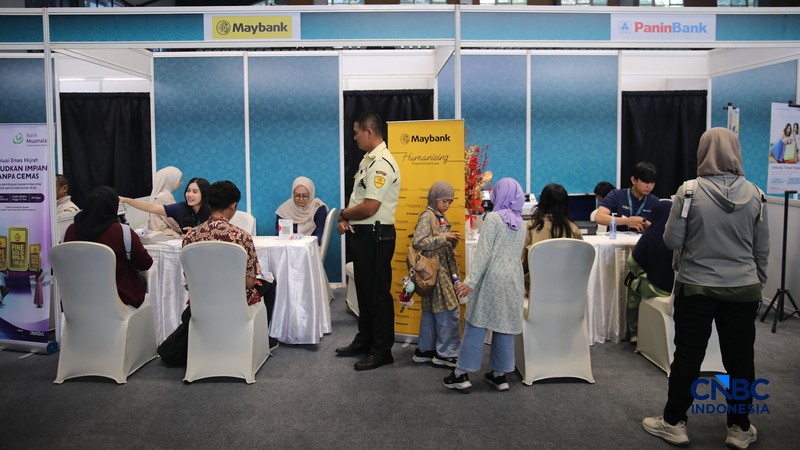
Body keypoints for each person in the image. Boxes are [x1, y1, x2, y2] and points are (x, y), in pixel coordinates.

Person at [643, 128, 769, 450]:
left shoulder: (688, 193)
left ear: (703, 152)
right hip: (743, 289)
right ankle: (740, 428)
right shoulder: (756, 194)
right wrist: (756, 283)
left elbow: (672, 241)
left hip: (696, 287)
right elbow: (761, 250)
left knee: (687, 356)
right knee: (740, 360)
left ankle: (674, 423)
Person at [159, 181, 264, 367]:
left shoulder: (191, 237)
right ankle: (260, 343)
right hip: (235, 300)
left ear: (209, 204)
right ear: (233, 205)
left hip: (202, 300)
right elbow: (249, 283)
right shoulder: (242, 236)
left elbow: (189, 279)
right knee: (267, 286)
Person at [444, 177, 526, 392]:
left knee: (476, 323)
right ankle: (500, 375)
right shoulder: (522, 222)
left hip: (492, 276)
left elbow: (484, 254)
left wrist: (470, 282)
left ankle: (461, 373)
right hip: (513, 278)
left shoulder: (493, 219)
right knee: (504, 325)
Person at [335, 112, 401, 371]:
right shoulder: (368, 160)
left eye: (356, 132)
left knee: (377, 296)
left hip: (377, 236)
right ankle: (365, 340)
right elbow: (359, 202)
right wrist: (348, 218)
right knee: (364, 292)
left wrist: (343, 214)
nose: (354, 137)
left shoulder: (382, 162)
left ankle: (382, 350)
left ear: (369, 132)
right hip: (364, 235)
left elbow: (371, 206)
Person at [64, 186, 153, 308]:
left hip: (77, 301)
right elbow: (145, 263)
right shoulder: (122, 233)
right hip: (120, 301)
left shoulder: (69, 231)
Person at [411, 181, 462, 368]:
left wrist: (449, 239)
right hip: (436, 271)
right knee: (449, 311)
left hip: (438, 270)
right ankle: (446, 353)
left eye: (450, 202)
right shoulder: (428, 216)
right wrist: (444, 237)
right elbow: (419, 242)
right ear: (434, 199)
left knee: (432, 311)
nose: (447, 205)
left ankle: (426, 349)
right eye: (444, 201)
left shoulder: (438, 216)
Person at [624, 200, 674, 344]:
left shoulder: (650, 236)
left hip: (658, 289)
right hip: (676, 289)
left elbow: (632, 264)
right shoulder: (680, 236)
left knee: (633, 285)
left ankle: (634, 332)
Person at [523, 183, 584, 295]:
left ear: (542, 201)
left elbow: (523, 261)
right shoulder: (573, 228)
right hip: (568, 288)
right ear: (565, 204)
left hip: (537, 288)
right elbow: (581, 261)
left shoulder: (532, 226)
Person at [120, 175, 211, 235]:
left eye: (195, 192)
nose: (189, 195)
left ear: (204, 194)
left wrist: (198, 234)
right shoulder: (180, 208)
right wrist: (126, 200)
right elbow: (152, 207)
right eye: (188, 191)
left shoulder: (213, 210)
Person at [594, 161, 659, 232]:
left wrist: (646, 223)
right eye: (645, 182)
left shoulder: (654, 201)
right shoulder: (616, 195)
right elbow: (599, 217)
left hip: (643, 241)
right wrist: (627, 221)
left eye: (652, 183)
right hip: (618, 240)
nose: (649, 186)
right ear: (634, 180)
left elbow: (660, 228)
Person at [275, 176, 328, 245]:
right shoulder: (285, 209)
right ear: (293, 194)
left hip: (310, 248)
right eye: (297, 195)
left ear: (311, 194)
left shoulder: (318, 207)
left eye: (305, 196)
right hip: (288, 246)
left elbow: (320, 234)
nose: (301, 199)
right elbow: (279, 234)